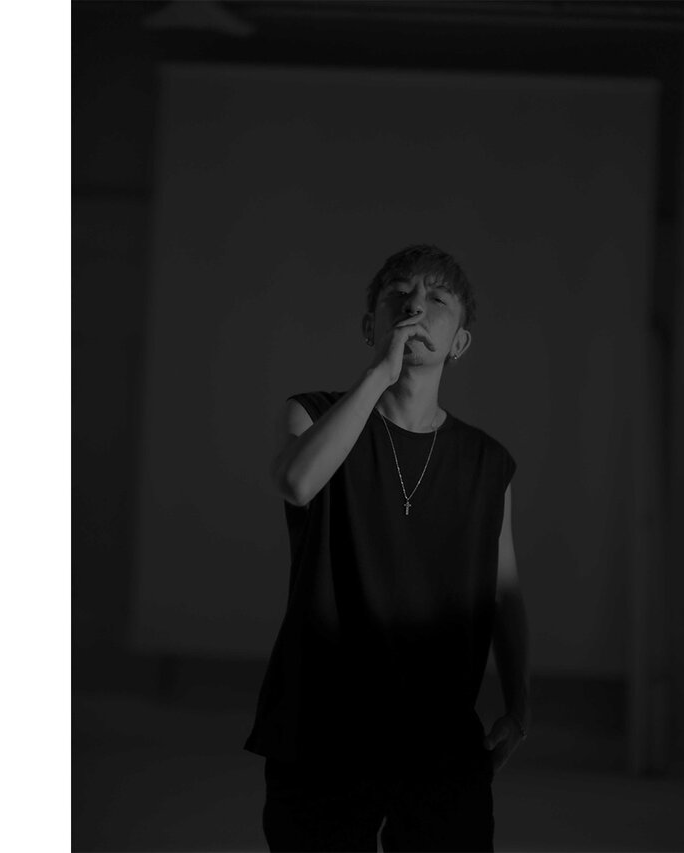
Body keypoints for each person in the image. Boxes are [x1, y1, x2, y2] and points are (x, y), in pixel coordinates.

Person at [244, 244, 530, 852]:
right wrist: (381, 372)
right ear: (369, 326)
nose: (415, 307)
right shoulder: (311, 413)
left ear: (459, 343)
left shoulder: (486, 462)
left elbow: (503, 592)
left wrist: (519, 705)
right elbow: (297, 483)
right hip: (323, 723)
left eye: (437, 299)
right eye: (399, 294)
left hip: (439, 733)